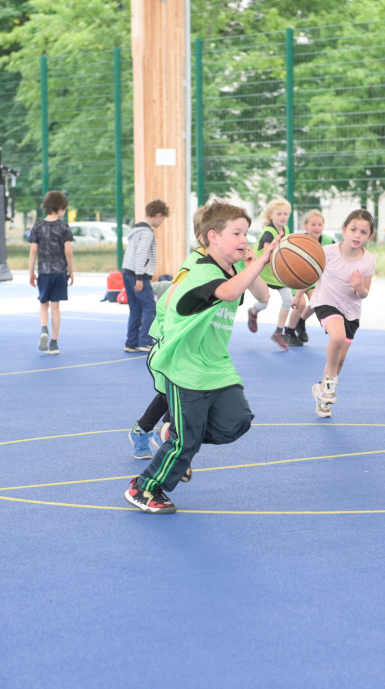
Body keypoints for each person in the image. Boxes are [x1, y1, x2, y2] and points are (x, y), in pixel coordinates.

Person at [124, 200, 279, 514]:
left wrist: (251, 263)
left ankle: (174, 433)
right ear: (212, 237)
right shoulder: (200, 270)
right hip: (186, 364)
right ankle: (144, 488)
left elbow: (264, 296)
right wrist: (259, 263)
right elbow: (228, 293)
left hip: (215, 363)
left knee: (237, 421)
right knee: (187, 441)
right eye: (236, 233)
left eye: (246, 233)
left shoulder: (233, 267)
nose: (244, 240)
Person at [293, 209, 376, 418]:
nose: (357, 235)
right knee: (337, 337)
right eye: (353, 230)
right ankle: (330, 385)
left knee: (340, 360)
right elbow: (307, 274)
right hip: (325, 302)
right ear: (344, 230)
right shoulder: (327, 251)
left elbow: (365, 293)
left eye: (363, 232)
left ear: (370, 236)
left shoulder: (369, 260)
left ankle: (321, 395)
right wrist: (298, 295)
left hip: (351, 310)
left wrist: (359, 287)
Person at [28, 191, 74, 355]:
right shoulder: (64, 226)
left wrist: (31, 272)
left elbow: (34, 250)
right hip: (60, 272)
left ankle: (43, 329)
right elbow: (68, 251)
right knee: (55, 308)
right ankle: (54, 343)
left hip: (45, 272)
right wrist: (71, 272)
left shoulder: (38, 226)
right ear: (61, 208)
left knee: (43, 304)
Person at [244, 197, 292, 350]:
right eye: (279, 214)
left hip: (276, 272)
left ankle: (279, 332)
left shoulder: (286, 230)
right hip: (263, 272)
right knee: (264, 303)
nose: (283, 217)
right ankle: (253, 312)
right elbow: (267, 256)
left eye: (285, 214)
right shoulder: (269, 232)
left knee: (288, 300)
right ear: (271, 216)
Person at [284, 209, 335, 347]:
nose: (317, 227)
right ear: (306, 226)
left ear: (323, 226)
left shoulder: (329, 241)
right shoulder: (300, 241)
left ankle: (301, 321)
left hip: (316, 278)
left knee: (317, 301)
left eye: (320, 224)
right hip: (299, 276)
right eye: (313, 224)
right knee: (299, 303)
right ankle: (289, 331)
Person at [122, 199, 167, 353]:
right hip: (137, 274)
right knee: (149, 306)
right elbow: (140, 255)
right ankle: (145, 341)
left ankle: (131, 342)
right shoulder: (147, 232)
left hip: (127, 271)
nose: (162, 222)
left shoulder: (136, 229)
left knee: (135, 308)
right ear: (158, 215)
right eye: (163, 219)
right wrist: (140, 278)